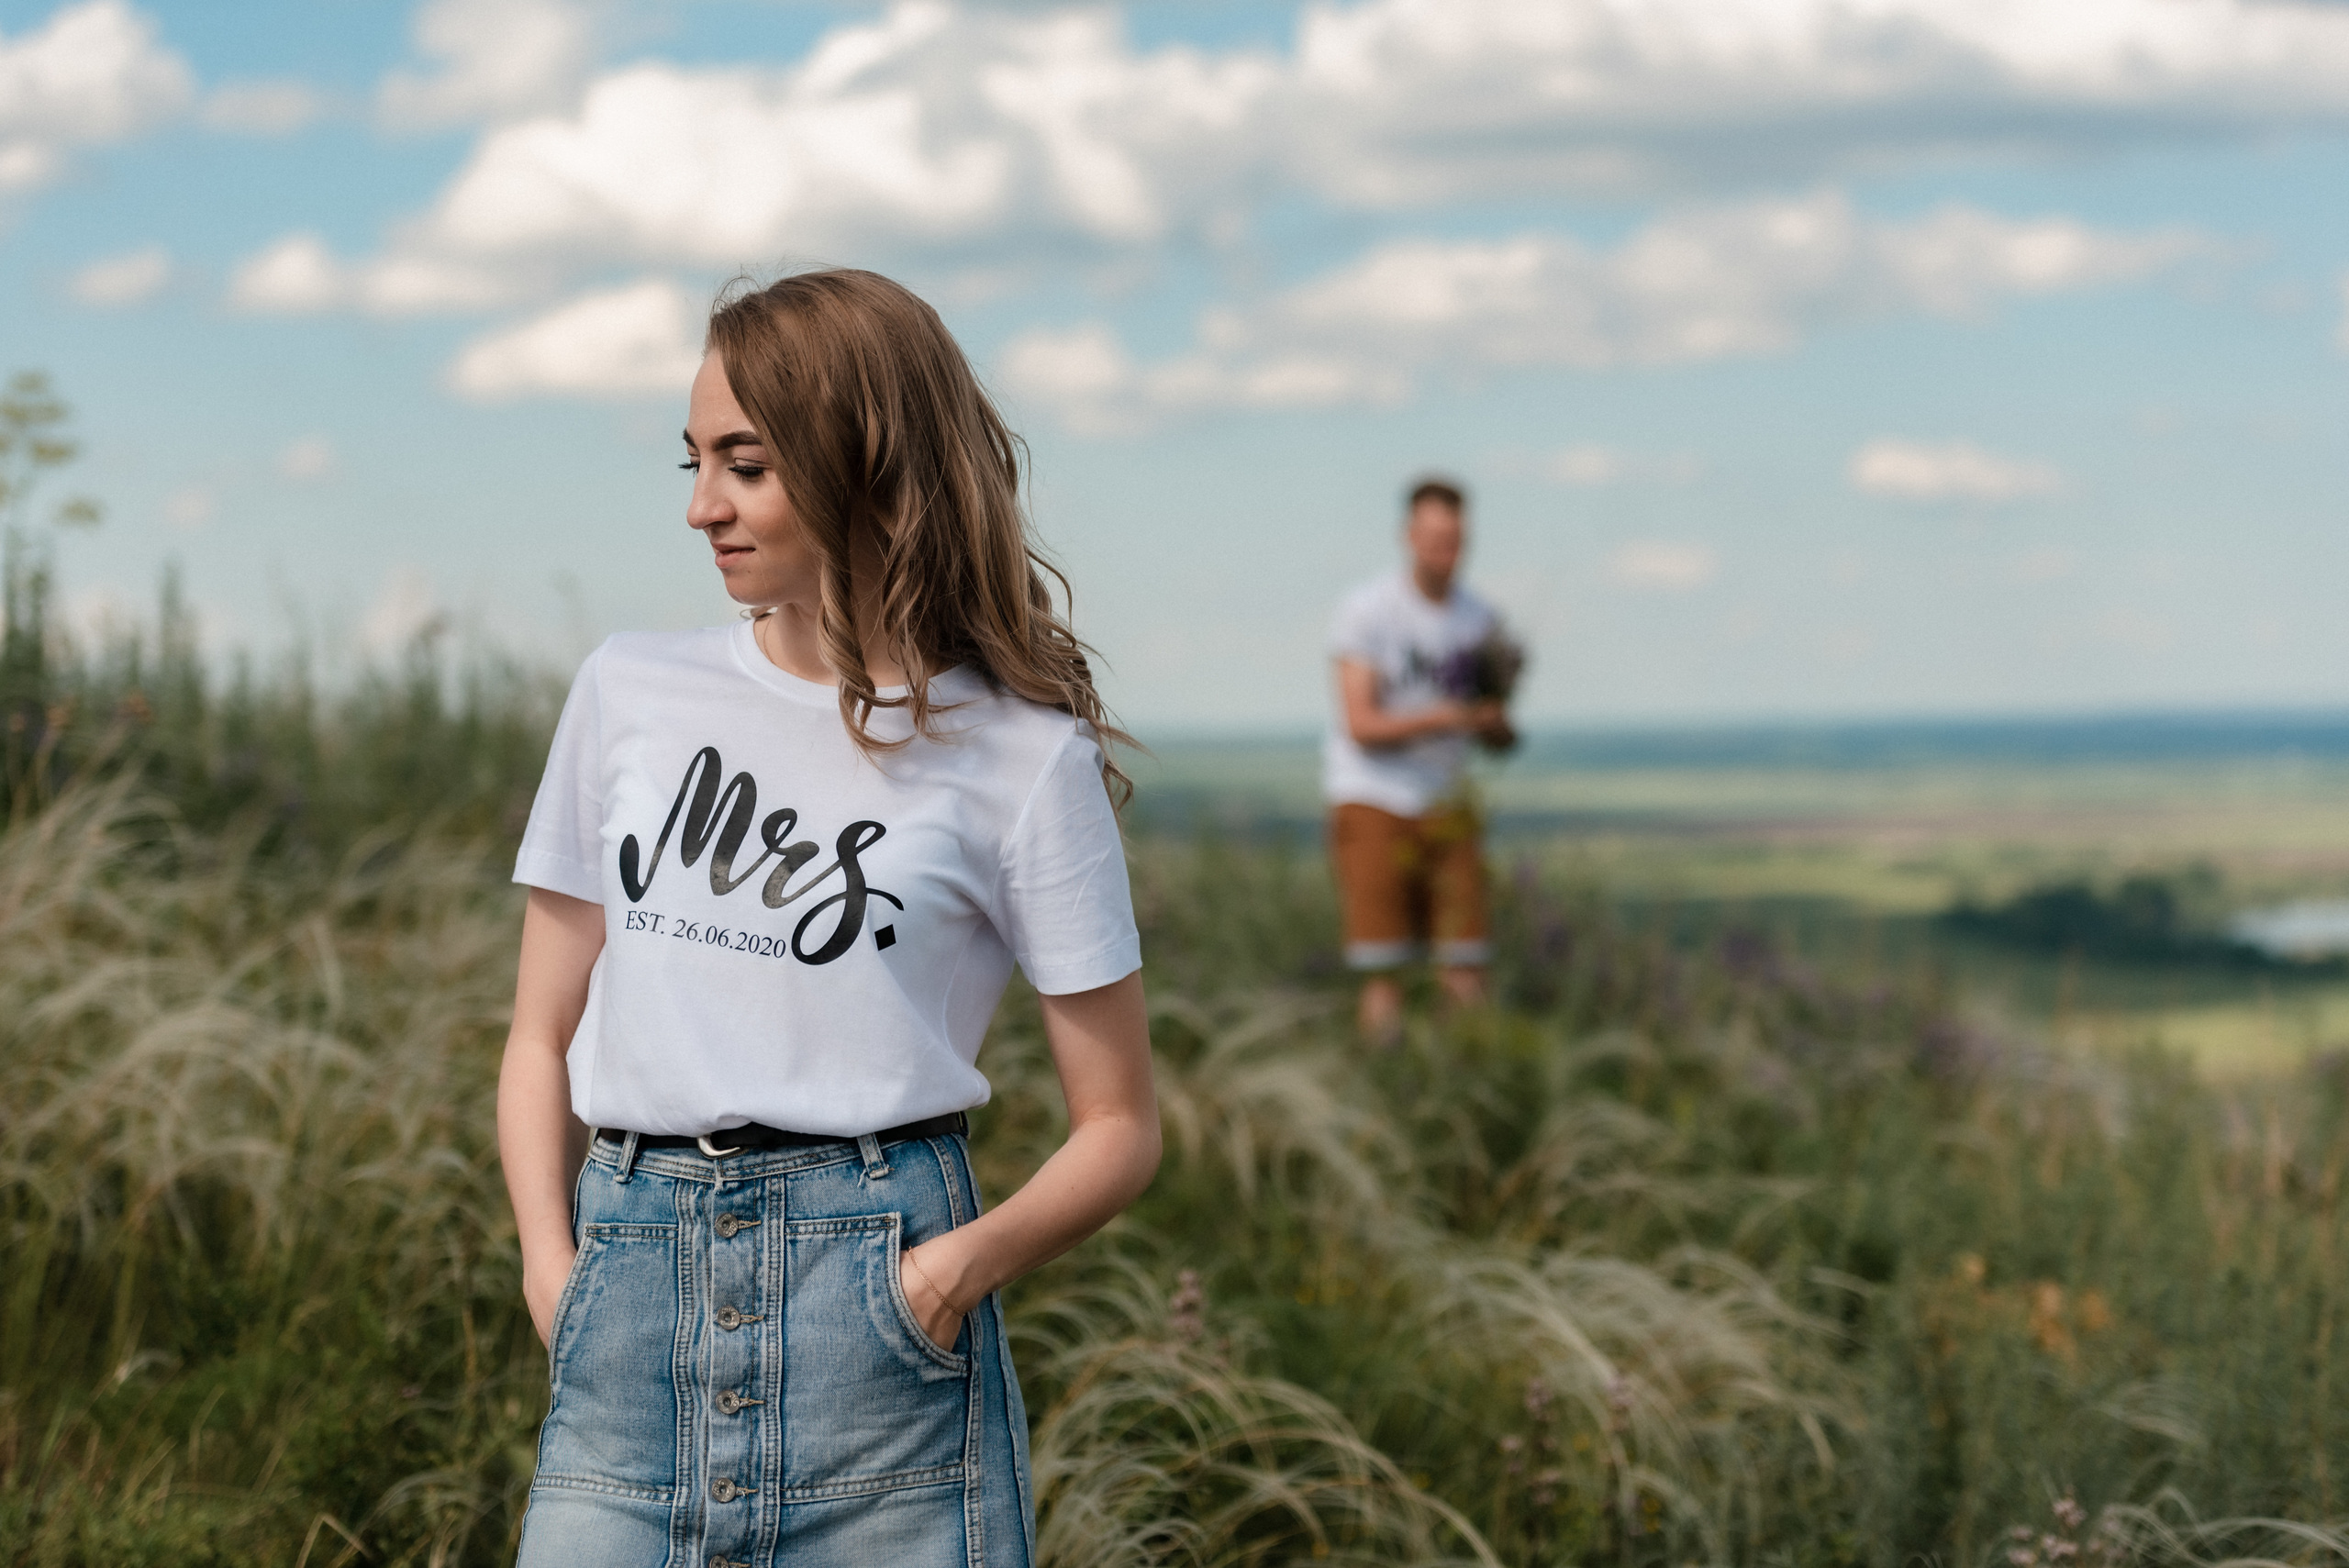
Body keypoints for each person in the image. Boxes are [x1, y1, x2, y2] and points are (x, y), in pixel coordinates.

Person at [496, 269, 1161, 1568]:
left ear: (863, 459)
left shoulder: (1022, 759)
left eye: (745, 465)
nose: (701, 508)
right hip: (630, 1294)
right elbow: (538, 1034)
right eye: (694, 462)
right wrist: (551, 1271)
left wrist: (937, 1281)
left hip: (882, 1320)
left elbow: (1122, 1127)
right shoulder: (628, 691)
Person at [1322, 477, 1513, 1042]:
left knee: (1466, 963)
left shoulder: (1481, 620)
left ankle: (1464, 1085)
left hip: (1449, 800)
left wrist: (1492, 723)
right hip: (1373, 796)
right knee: (1383, 970)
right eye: (1433, 537)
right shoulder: (1367, 610)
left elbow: (1495, 736)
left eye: (1454, 538)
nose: (1444, 550)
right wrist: (1447, 716)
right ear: (1408, 536)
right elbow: (1360, 725)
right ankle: (1387, 1088)